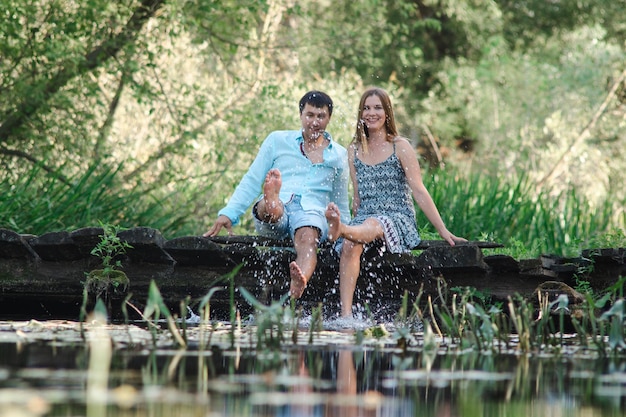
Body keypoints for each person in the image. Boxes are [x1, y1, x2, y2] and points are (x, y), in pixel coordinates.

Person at [325, 87, 466, 317]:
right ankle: (346, 315)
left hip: (397, 217)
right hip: (364, 218)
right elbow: (358, 198)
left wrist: (443, 230)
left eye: (377, 108)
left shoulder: (399, 146)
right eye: (366, 108)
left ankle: (342, 229)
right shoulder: (354, 149)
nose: (372, 113)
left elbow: (419, 191)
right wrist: (355, 217)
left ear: (387, 112)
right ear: (361, 114)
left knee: (373, 224)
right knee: (350, 245)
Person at [204, 90, 350, 299]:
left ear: (329, 118)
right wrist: (229, 213)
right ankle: (271, 199)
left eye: (321, 116)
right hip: (280, 207)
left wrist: (345, 233)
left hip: (312, 213)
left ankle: (300, 280)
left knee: (308, 239)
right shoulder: (277, 140)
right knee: (271, 208)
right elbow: (252, 179)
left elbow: (340, 200)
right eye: (310, 115)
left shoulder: (339, 155)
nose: (315, 122)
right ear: (301, 115)